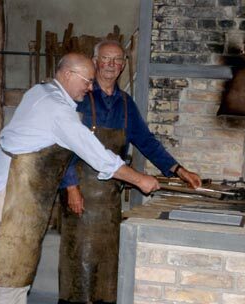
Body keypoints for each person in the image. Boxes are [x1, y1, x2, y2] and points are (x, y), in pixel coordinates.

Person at [0, 52, 160, 304]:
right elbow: (98, 155)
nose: (90, 87)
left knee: (19, 267)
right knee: (14, 270)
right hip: (12, 195)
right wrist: (139, 180)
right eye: (86, 81)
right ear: (67, 75)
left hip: (14, 189)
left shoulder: (41, 90)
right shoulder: (58, 110)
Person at [58, 41, 202, 304]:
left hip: (109, 199)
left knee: (107, 269)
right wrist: (70, 187)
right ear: (95, 61)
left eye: (117, 60)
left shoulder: (126, 104)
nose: (112, 65)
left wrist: (179, 170)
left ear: (123, 65)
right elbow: (63, 147)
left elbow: (146, 142)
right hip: (80, 194)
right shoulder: (79, 98)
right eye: (106, 59)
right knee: (79, 267)